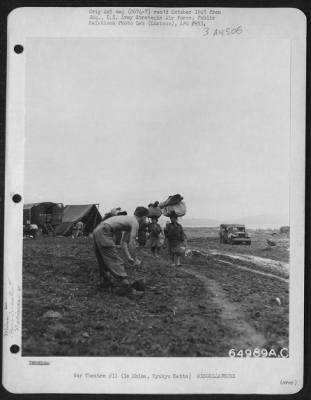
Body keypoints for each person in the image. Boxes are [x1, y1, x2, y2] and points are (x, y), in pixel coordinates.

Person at [92, 206, 149, 291]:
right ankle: (126, 286)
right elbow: (132, 242)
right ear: (144, 217)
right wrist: (135, 259)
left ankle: (106, 281)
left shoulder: (129, 220)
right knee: (113, 258)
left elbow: (123, 242)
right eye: (146, 218)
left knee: (102, 259)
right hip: (104, 231)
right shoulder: (135, 223)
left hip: (98, 230)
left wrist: (129, 257)